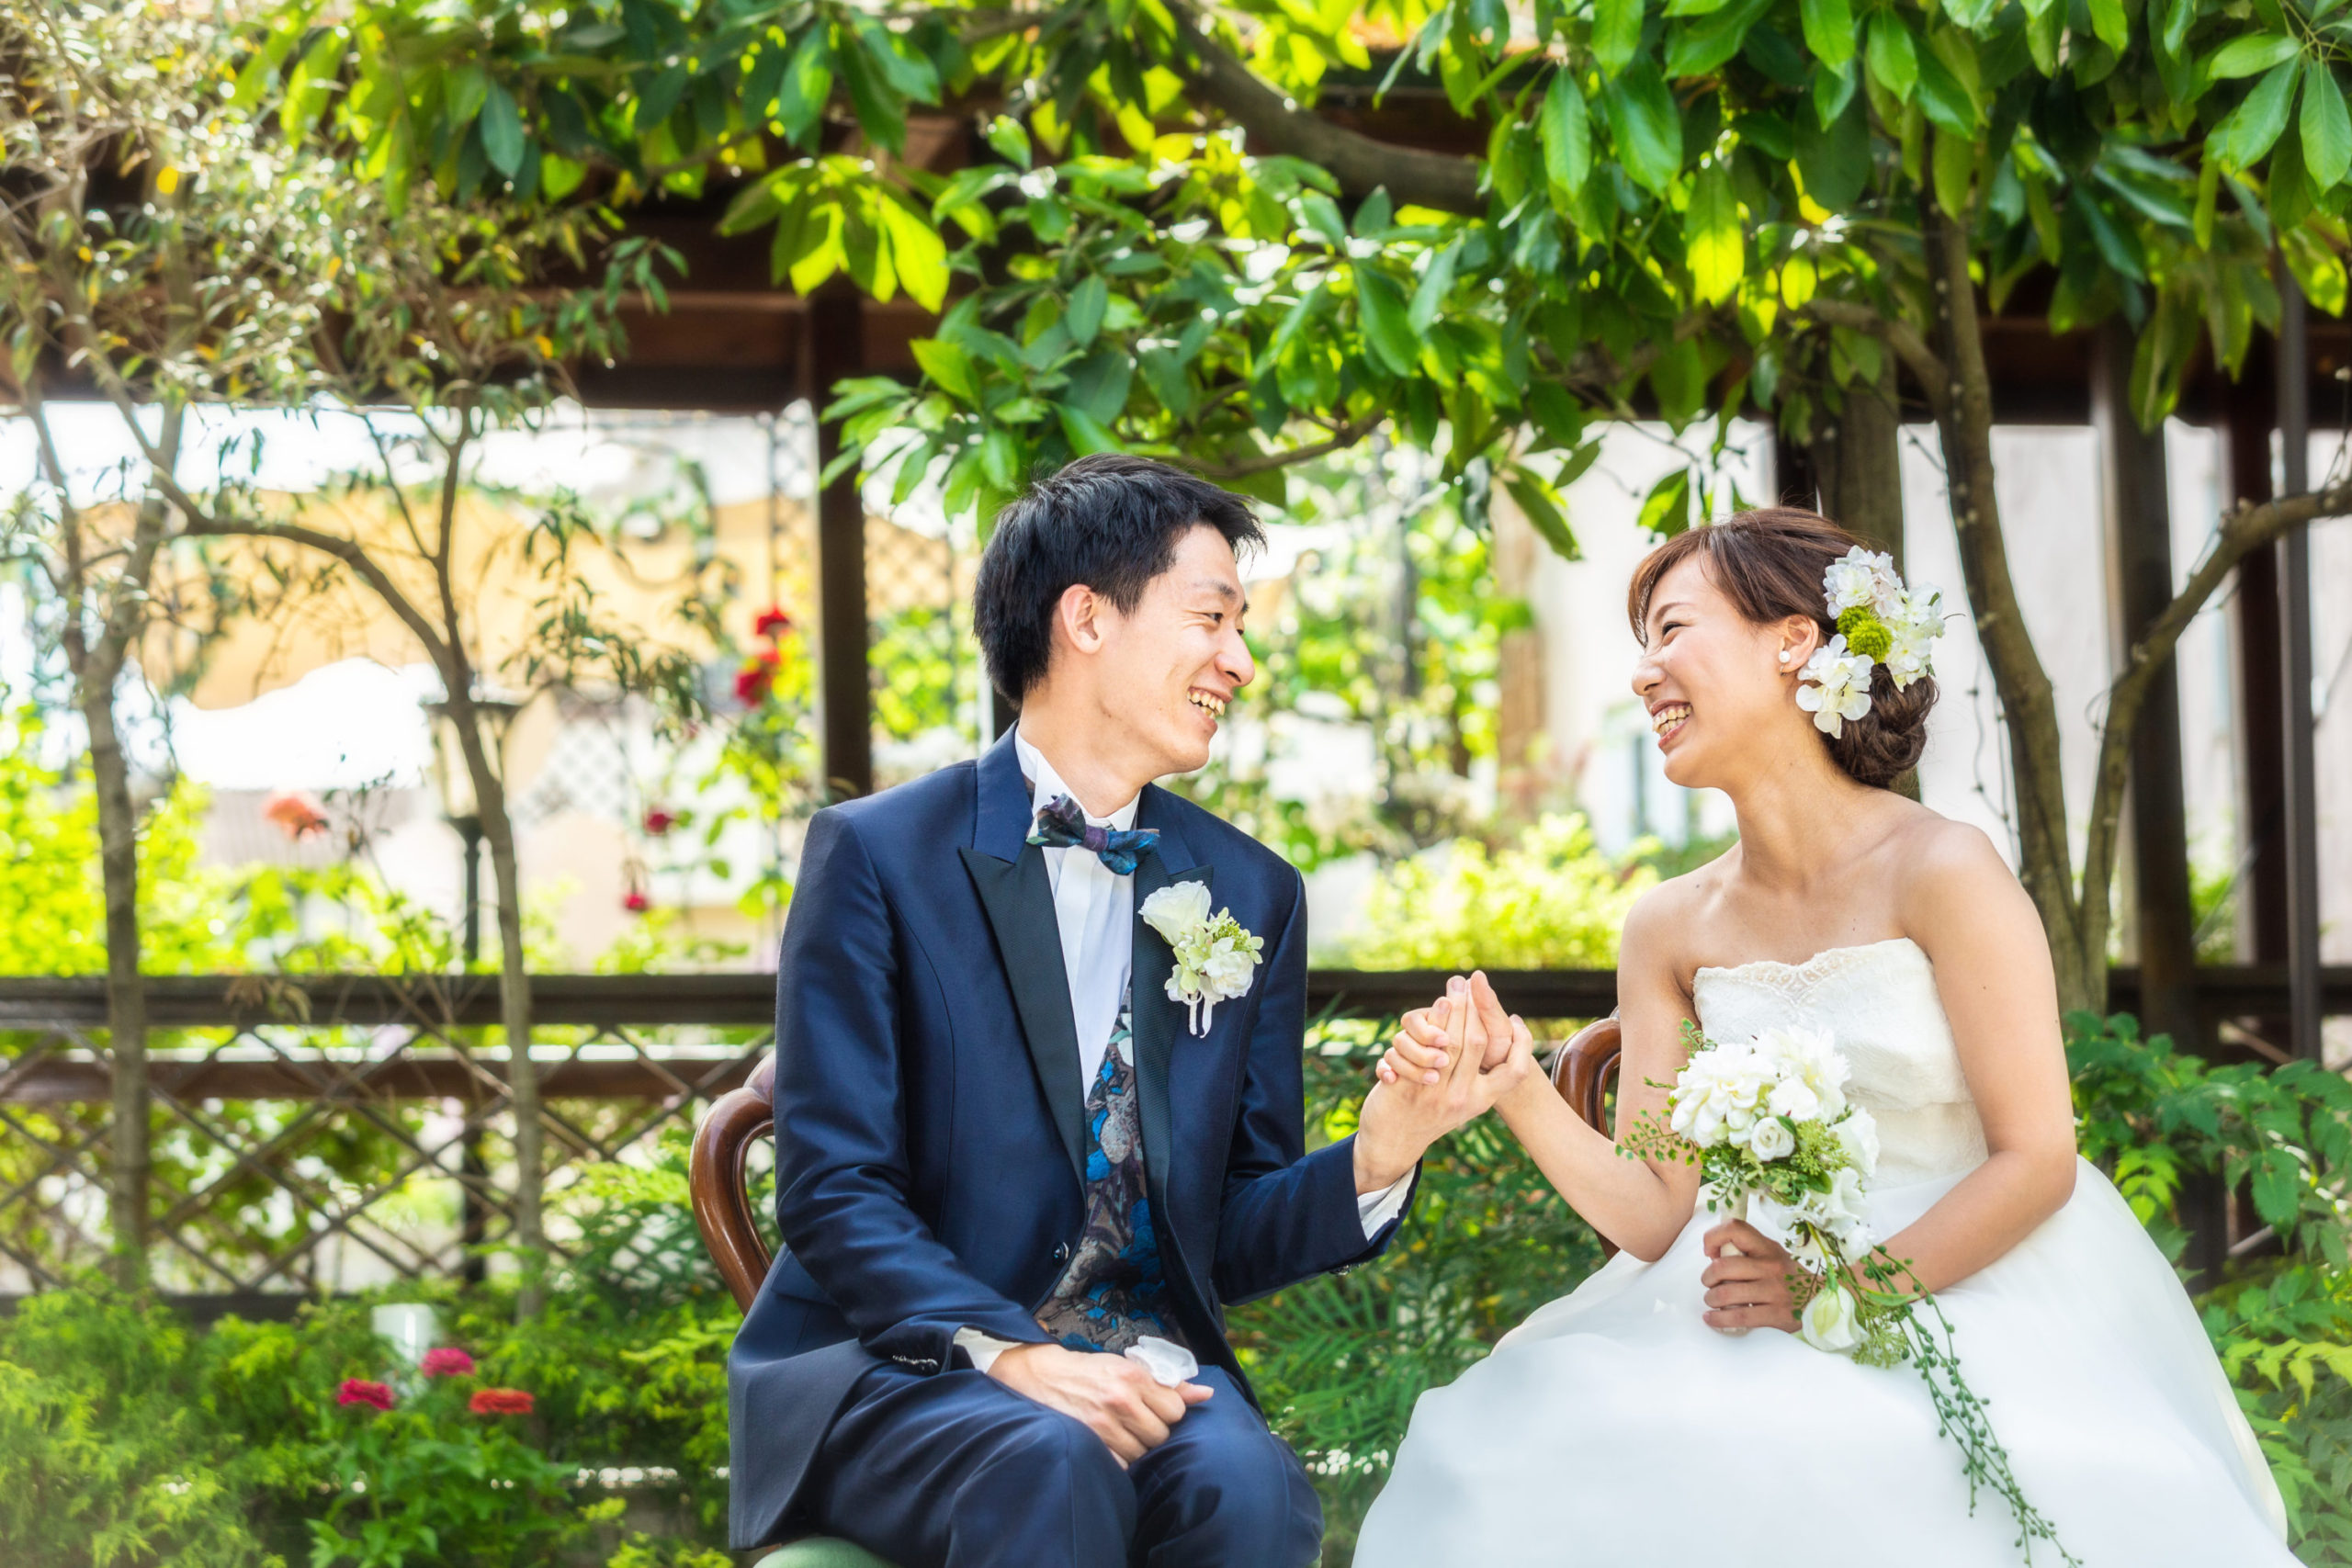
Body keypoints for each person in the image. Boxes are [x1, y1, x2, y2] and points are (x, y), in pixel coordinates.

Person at [1352, 508, 2295, 1566]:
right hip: (1735, 1286)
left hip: (1964, 1278)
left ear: (1792, 641)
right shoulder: (1667, 925)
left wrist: (1835, 1296)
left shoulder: (1943, 870)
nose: (1644, 674)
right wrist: (1515, 1084)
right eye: (1642, 645)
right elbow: (1656, 1211)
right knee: (1521, 1454)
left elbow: (2037, 1160)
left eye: (1672, 630)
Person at [726, 454, 1516, 1568]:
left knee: (1249, 1486)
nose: (1239, 661)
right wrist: (1013, 1356)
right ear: (1087, 618)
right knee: (1051, 1460)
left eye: (1241, 628)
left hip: (1138, 1367)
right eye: (1211, 617)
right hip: (902, 1373)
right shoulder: (876, 855)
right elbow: (835, 1189)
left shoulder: (1250, 892)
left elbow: (1223, 1232)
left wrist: (1382, 1152)